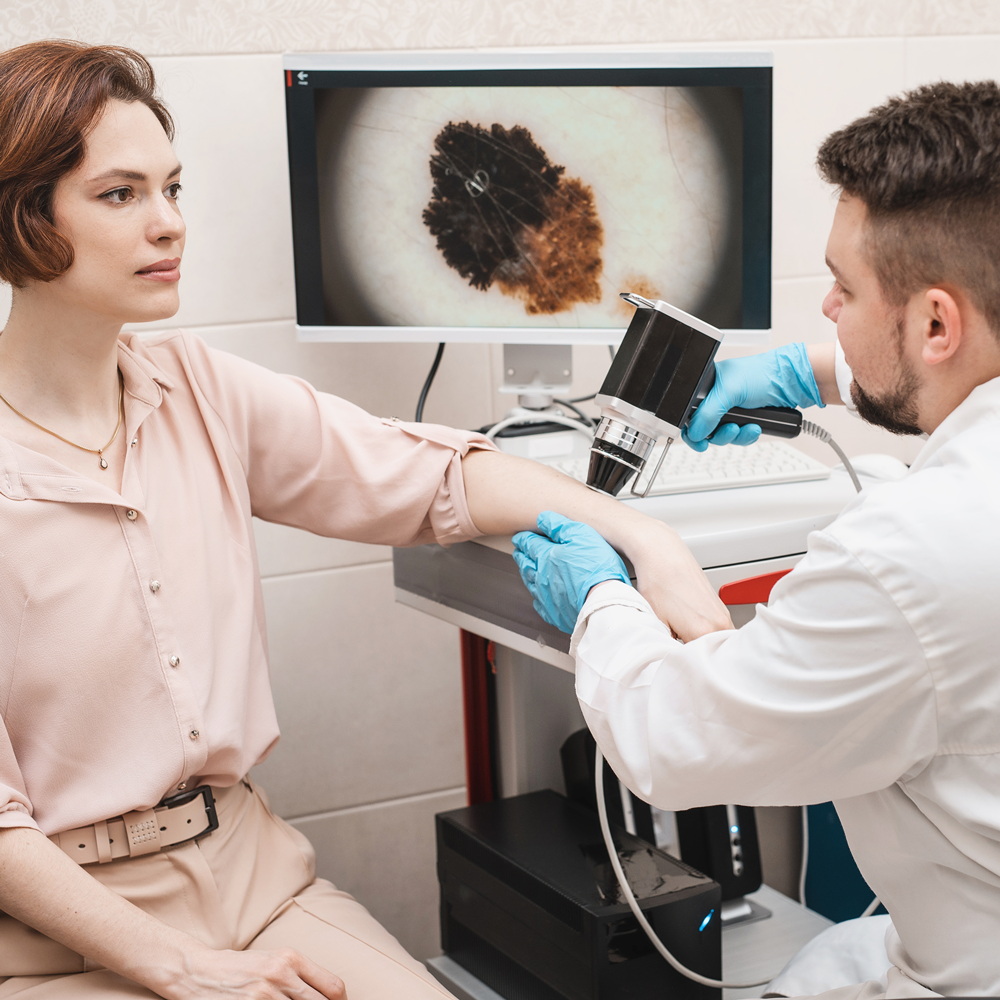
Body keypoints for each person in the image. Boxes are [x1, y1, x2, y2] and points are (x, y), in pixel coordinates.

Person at [0, 40, 727, 1000]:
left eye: (172, 189)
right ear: (22, 216)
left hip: (251, 880)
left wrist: (646, 539)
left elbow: (426, 475)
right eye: (120, 195)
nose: (169, 222)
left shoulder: (197, 387)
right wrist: (185, 970)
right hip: (56, 930)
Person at [514, 80, 1000, 998]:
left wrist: (600, 600)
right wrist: (813, 375)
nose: (828, 310)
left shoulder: (911, 557)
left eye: (845, 288)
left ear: (936, 323)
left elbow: (671, 738)